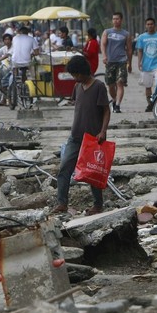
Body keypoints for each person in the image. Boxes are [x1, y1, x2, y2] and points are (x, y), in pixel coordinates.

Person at [52, 55, 110, 215]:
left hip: (93, 138)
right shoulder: (77, 87)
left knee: (93, 172)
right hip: (75, 137)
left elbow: (106, 110)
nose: (75, 78)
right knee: (64, 169)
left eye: (76, 75)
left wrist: (103, 131)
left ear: (83, 72)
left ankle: (98, 205)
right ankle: (62, 203)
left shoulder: (98, 86)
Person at [101, 12, 132, 113]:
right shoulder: (107, 32)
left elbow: (129, 49)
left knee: (120, 82)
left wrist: (130, 63)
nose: (115, 20)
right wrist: (104, 56)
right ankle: (114, 100)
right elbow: (103, 44)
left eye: (117, 19)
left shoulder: (126, 34)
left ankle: (118, 105)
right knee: (110, 85)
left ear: (121, 20)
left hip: (122, 61)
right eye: (114, 19)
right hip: (110, 61)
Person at [136, 17, 157, 112]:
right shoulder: (141, 37)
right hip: (146, 65)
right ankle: (150, 104)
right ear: (145, 26)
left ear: (154, 25)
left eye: (151, 24)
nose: (150, 26)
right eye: (148, 24)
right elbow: (140, 51)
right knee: (148, 86)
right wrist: (139, 62)